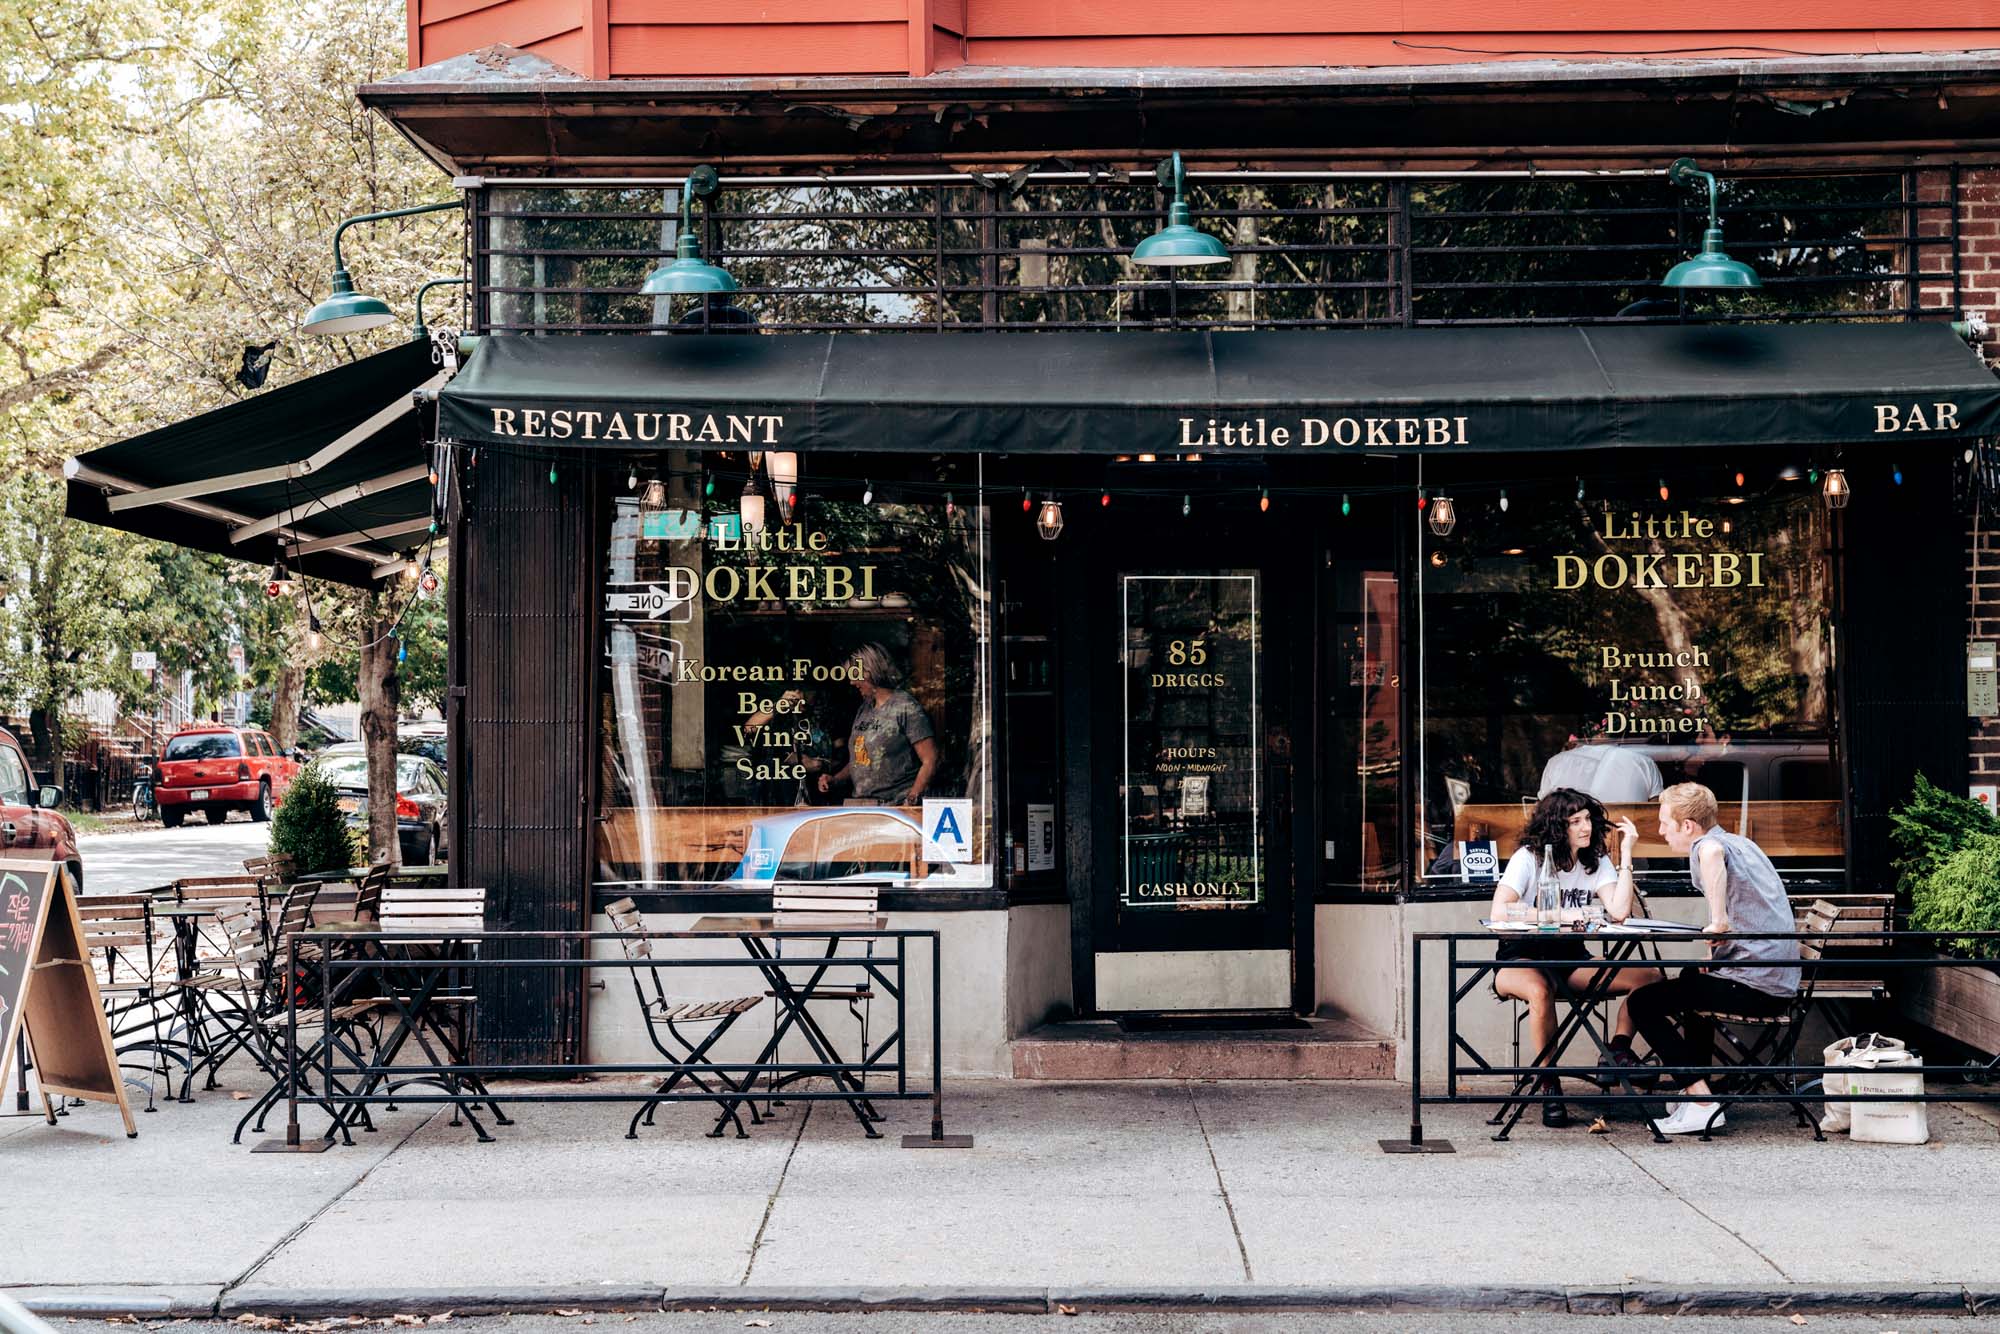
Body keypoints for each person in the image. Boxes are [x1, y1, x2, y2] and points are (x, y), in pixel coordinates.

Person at [1624, 781, 1801, 1137]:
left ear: (1688, 826)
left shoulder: (1708, 845)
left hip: (1757, 985)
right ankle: (1695, 1090)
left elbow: (1711, 853)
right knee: (1691, 980)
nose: (1660, 832)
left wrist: (1717, 920)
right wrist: (1718, 952)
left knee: (1642, 1002)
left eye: (1664, 823)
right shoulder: (1743, 843)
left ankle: (1702, 1100)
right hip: (1776, 978)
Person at [1490, 788, 1660, 1127]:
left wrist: (1626, 855)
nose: (1586, 828)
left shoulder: (1595, 862)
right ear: (1557, 826)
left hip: (1570, 959)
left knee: (1649, 976)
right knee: (1540, 991)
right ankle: (1549, 1082)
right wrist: (1564, 916)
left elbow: (1619, 911)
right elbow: (1499, 912)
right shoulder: (1530, 858)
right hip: (1520, 960)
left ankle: (1617, 1052)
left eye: (1588, 820)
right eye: (1576, 822)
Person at [817, 642, 939, 807]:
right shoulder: (865, 708)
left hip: (894, 806)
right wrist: (835, 779)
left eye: (855, 674)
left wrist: (911, 802)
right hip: (861, 806)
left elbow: (930, 759)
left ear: (870, 670)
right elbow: (861, 760)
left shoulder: (905, 707)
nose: (851, 682)